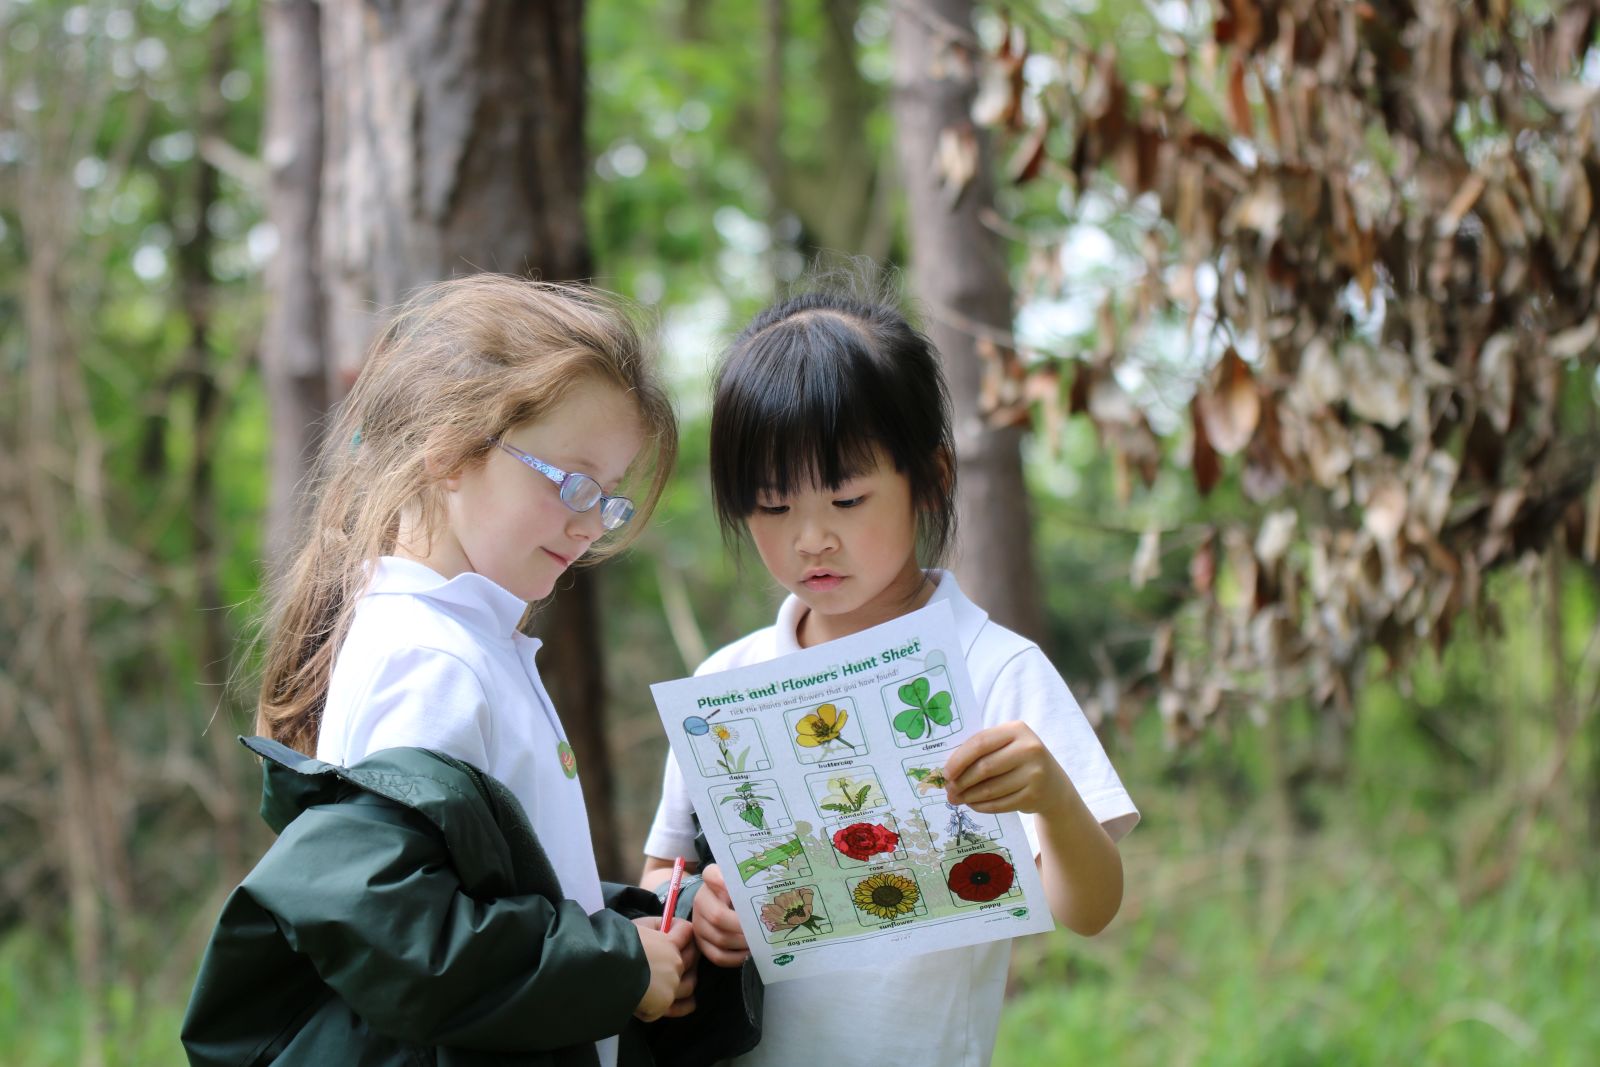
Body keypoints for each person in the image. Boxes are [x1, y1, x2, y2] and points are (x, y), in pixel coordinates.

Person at [183, 275, 693, 1067]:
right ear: (452, 453)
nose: (592, 523)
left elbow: (494, 891)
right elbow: (398, 932)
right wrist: (618, 965)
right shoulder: (431, 658)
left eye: (611, 497)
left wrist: (645, 919)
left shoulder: (469, 638)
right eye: (573, 482)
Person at [639, 285, 1139, 1067]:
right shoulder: (728, 681)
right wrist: (702, 916)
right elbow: (665, 873)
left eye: (846, 497)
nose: (811, 538)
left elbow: (1091, 908)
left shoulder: (994, 668)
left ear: (929, 476)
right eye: (771, 506)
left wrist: (1053, 796)